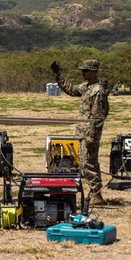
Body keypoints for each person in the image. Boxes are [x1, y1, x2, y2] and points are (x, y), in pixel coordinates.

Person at [51, 59, 110, 206]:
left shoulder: (97, 90)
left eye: (85, 71)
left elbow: (98, 116)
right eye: (82, 70)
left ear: (94, 71)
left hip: (90, 134)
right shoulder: (87, 87)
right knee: (84, 163)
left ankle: (97, 195)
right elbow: (71, 90)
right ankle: (95, 193)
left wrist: (91, 135)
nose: (82, 73)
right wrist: (58, 75)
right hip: (82, 133)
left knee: (88, 163)